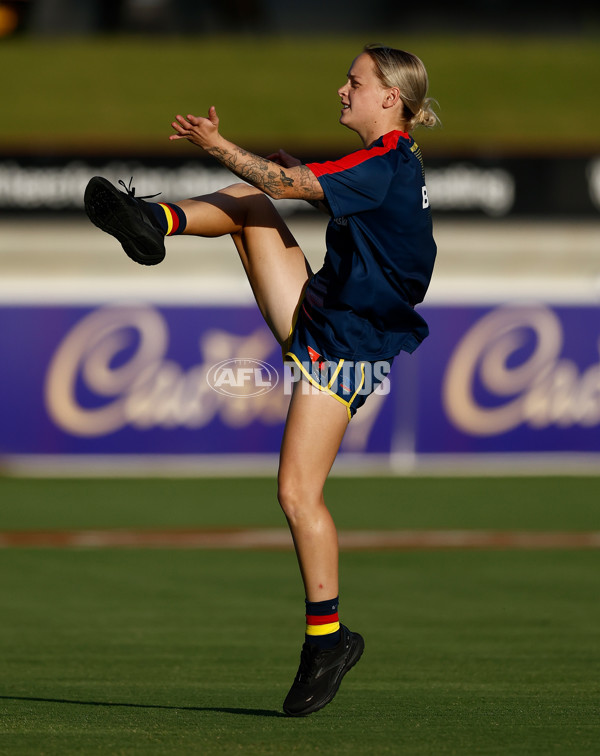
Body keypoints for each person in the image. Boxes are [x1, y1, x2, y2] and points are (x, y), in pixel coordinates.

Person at [84, 43, 438, 717]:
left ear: (389, 99)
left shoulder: (387, 163)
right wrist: (273, 170)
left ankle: (328, 641)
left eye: (355, 82)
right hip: (325, 310)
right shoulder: (389, 162)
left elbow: (290, 186)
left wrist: (219, 144)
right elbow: (289, 185)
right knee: (250, 202)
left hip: (349, 343)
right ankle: (150, 222)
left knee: (298, 492)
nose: (343, 90)